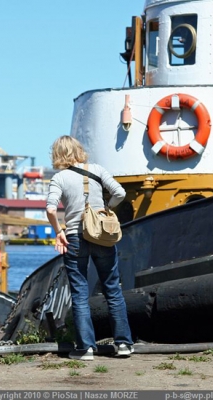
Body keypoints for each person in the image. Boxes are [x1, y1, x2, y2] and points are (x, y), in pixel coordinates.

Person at [45, 135, 134, 361]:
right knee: (112, 288)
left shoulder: (59, 178)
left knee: (79, 293)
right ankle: (123, 344)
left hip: (74, 237)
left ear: (58, 154)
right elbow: (120, 193)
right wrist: (106, 208)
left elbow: (51, 210)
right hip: (101, 235)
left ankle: (86, 348)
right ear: (79, 150)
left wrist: (59, 232)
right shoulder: (97, 169)